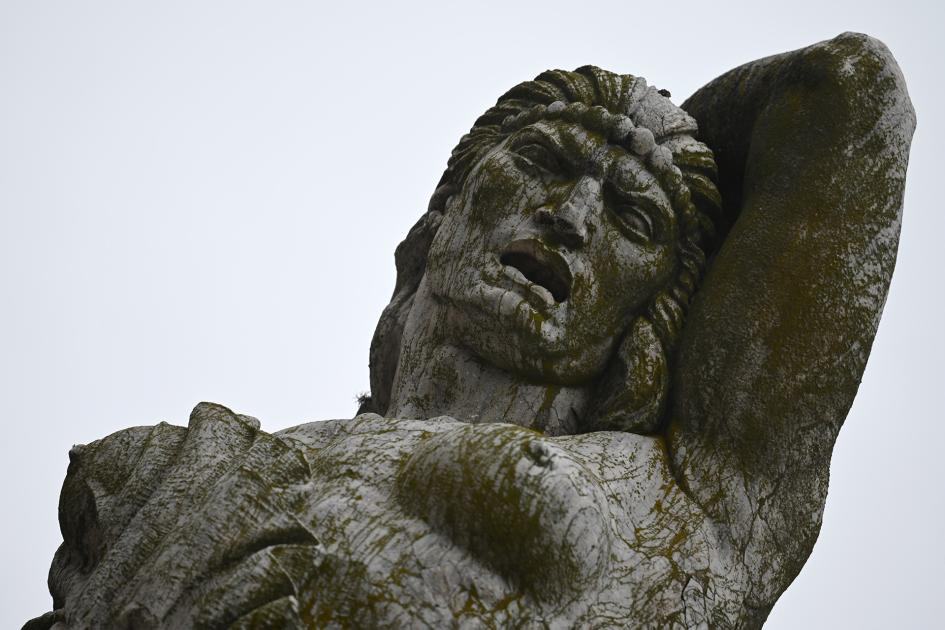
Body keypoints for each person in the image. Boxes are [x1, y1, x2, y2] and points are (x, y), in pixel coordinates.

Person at [27, 32, 914, 629]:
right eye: (544, 161)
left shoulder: (689, 492)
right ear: (444, 213)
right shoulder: (201, 467)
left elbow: (843, 93)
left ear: (654, 313)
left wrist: (666, 140)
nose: (569, 217)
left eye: (631, 220)